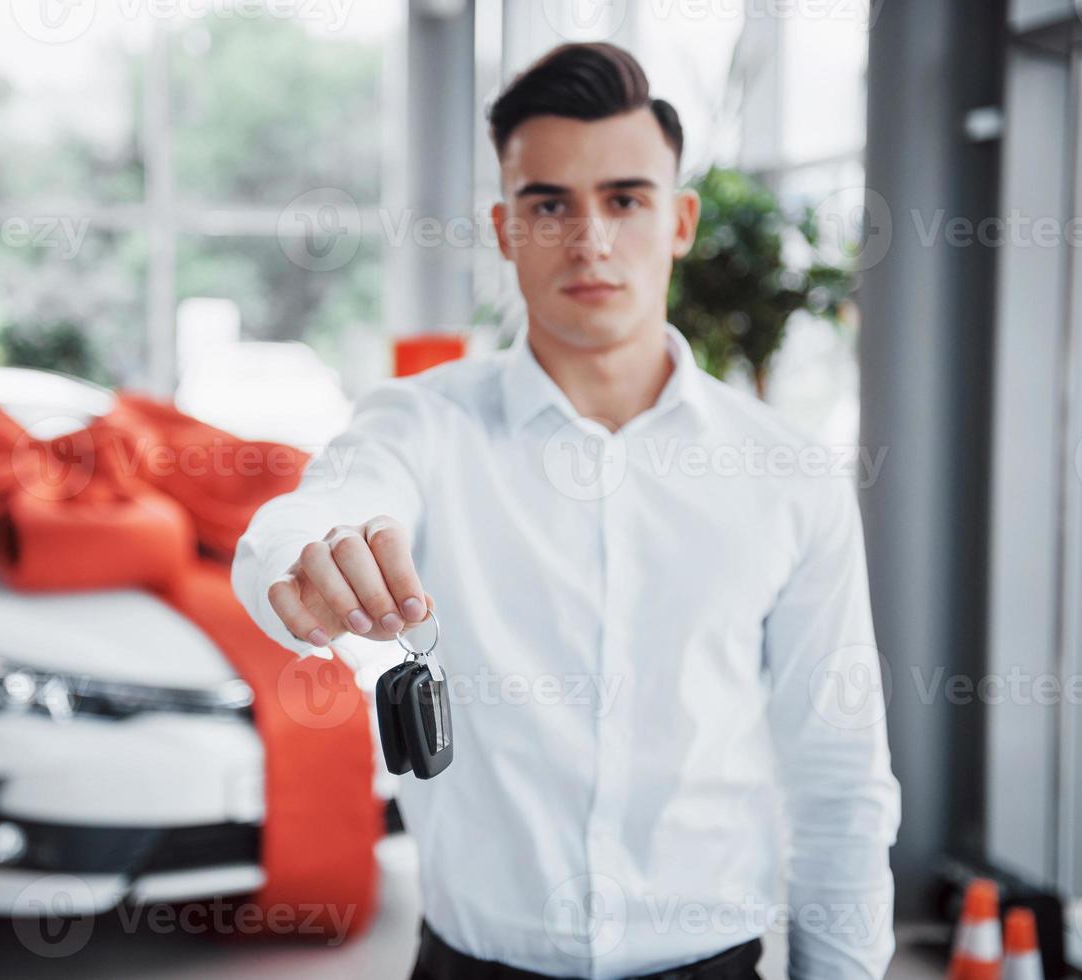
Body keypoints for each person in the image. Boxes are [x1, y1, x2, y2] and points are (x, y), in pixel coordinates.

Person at [231, 41, 901, 980]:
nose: (588, 239)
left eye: (624, 199)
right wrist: (301, 565)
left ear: (678, 220)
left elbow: (837, 773)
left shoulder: (788, 473)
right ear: (505, 230)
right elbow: (311, 515)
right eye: (550, 205)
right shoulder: (419, 423)